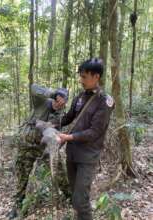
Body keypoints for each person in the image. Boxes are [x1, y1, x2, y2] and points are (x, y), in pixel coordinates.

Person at [58, 58, 115, 220]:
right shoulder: (80, 97)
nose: (80, 80)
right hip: (72, 154)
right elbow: (68, 118)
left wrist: (68, 137)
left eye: (84, 77)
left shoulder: (105, 101)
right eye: (80, 76)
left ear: (96, 76)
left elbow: (95, 132)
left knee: (80, 199)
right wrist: (54, 116)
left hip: (88, 156)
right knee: (75, 196)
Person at [8, 83, 68, 219]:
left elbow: (56, 134)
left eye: (63, 102)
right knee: (22, 177)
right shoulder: (43, 102)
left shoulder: (60, 116)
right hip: (26, 146)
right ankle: (17, 207)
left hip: (44, 149)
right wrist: (54, 94)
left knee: (59, 171)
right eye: (59, 100)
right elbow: (34, 88)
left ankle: (70, 197)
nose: (60, 104)